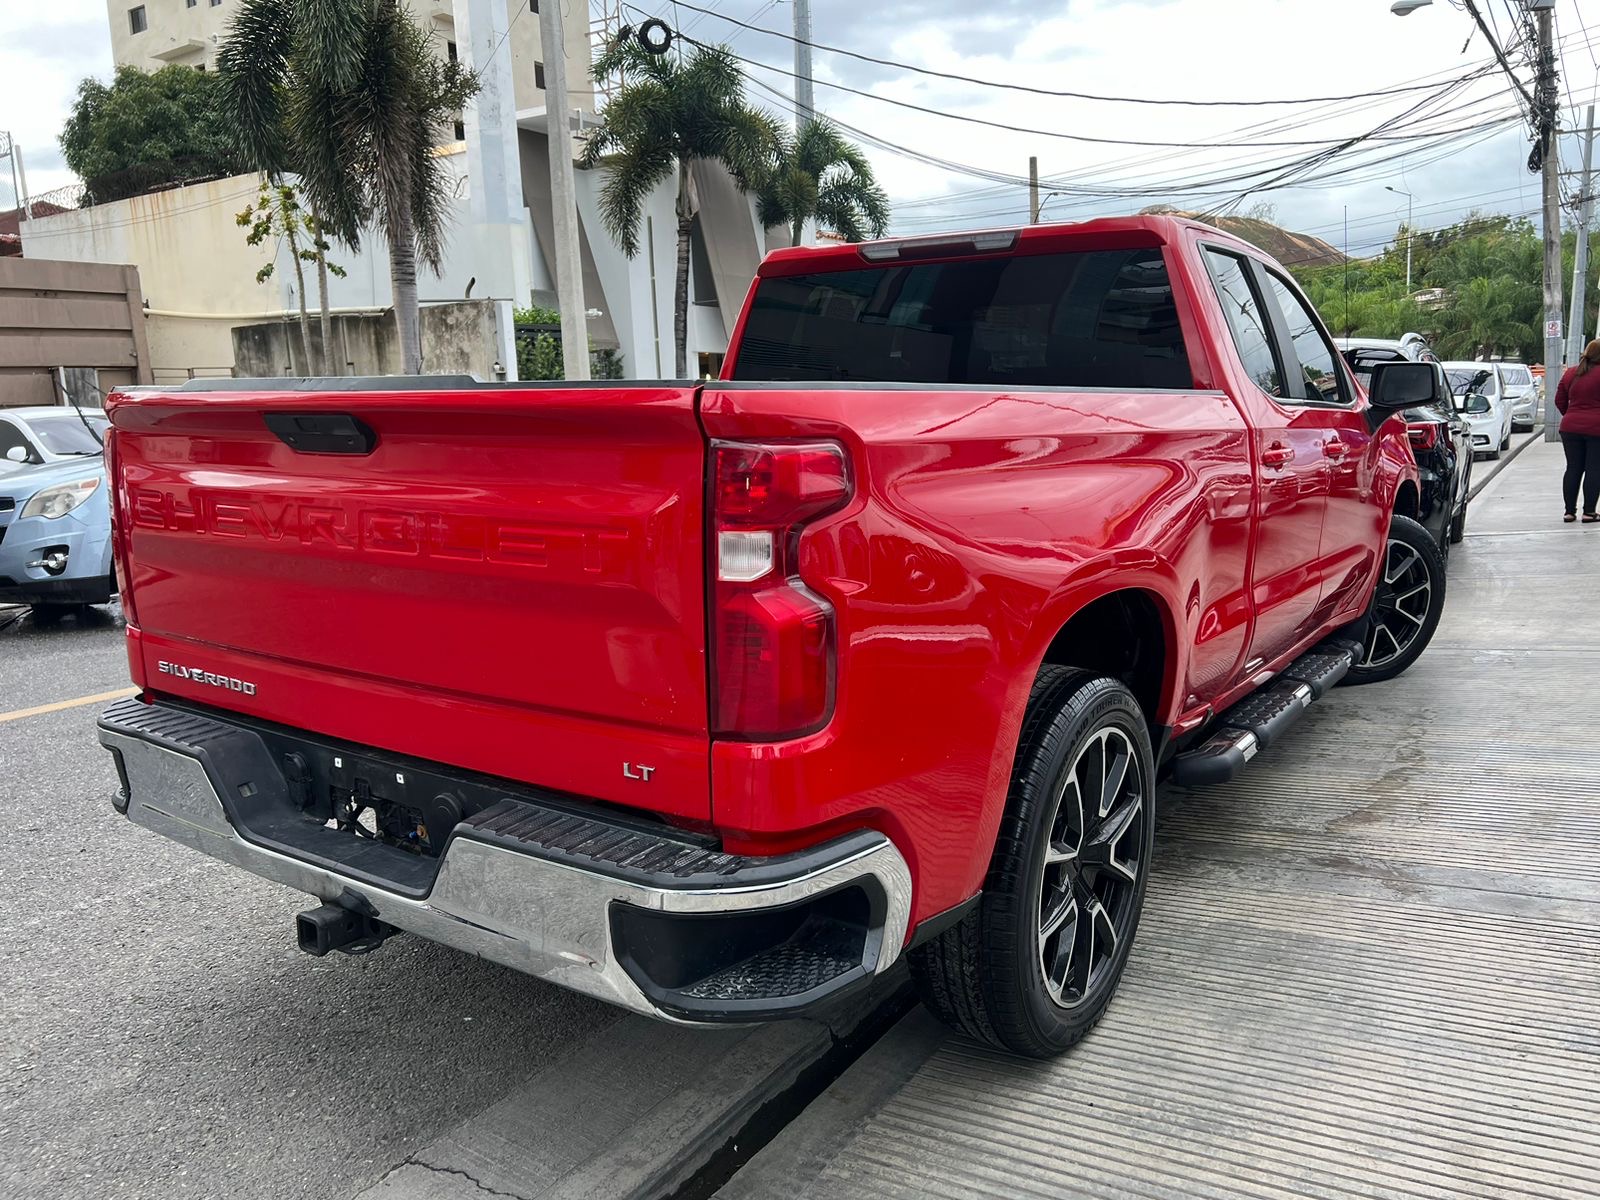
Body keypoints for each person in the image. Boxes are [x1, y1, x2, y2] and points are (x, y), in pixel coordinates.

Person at [1555, 340, 1600, 523]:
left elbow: (1559, 400)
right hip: (1597, 428)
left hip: (1570, 428)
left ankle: (1569, 512)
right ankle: (1589, 512)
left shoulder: (1571, 373)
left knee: (1573, 468)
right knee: (1594, 469)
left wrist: (1572, 415)